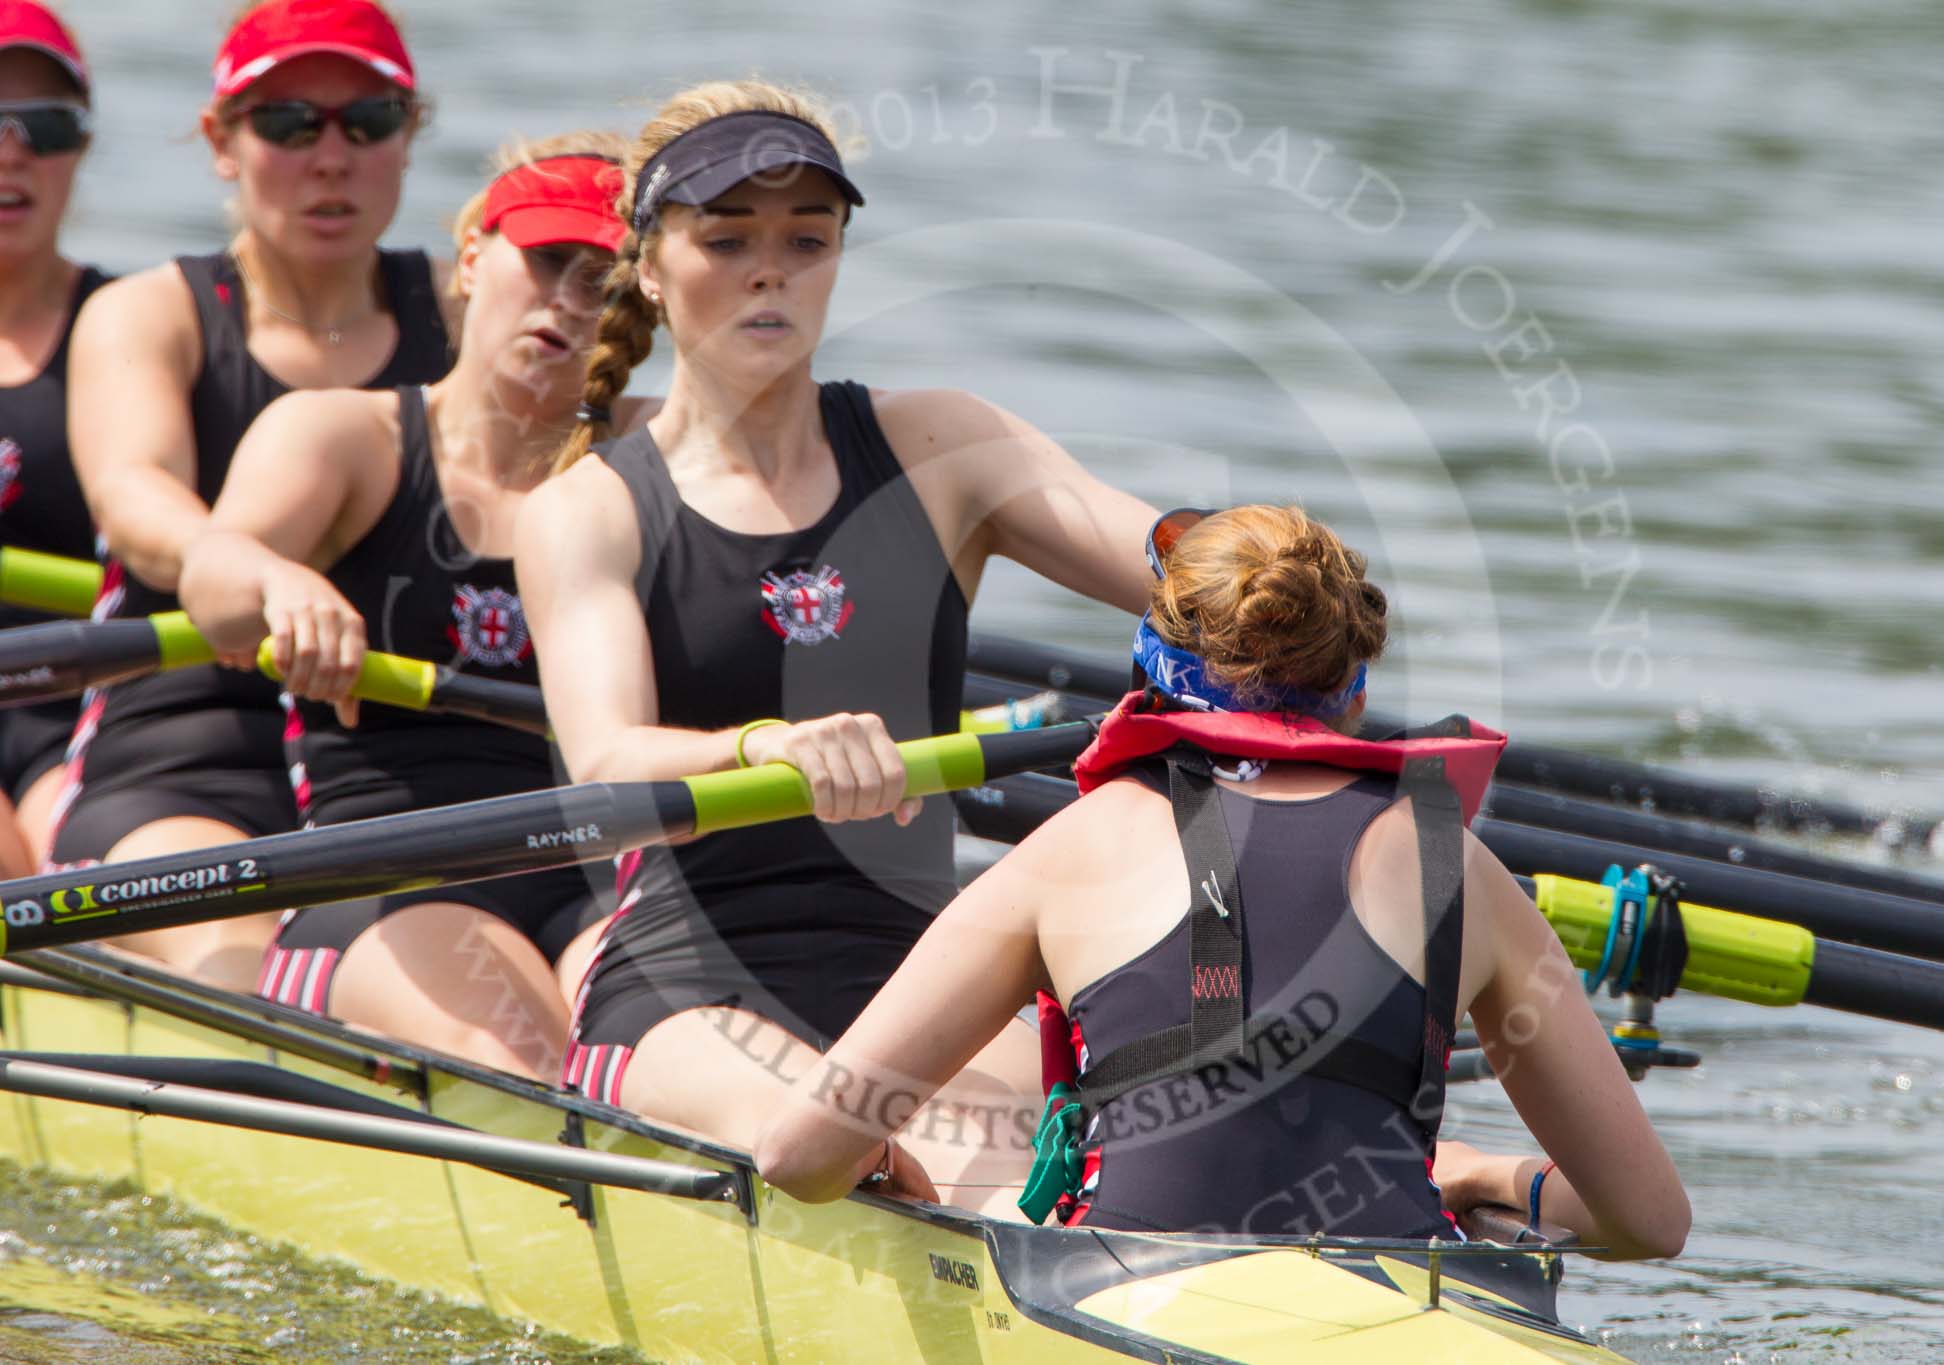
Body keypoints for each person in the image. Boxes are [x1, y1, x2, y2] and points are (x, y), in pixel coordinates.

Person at [515, 79, 1157, 1193]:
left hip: (919, 979)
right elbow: (608, 764)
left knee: (1073, 1179)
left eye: (806, 240)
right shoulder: (590, 508)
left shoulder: (938, 445)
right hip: (683, 993)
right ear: (650, 268)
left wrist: (1265, 582)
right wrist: (762, 745)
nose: (771, 269)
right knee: (841, 1150)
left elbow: (1165, 559)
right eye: (726, 239)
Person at [757, 505, 1691, 1259]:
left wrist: (882, 1158)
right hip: (1398, 1280)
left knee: (975, 1119)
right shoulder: (1462, 864)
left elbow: (796, 1155)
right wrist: (1486, 1176)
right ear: (1353, 688)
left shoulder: (1076, 844)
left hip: (1119, 1293)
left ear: (1154, 668)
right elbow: (1649, 1221)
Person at [180, 135, 645, 1077]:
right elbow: (212, 578)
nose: (567, 302)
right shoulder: (344, 435)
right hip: (392, 871)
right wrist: (282, 582)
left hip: (602, 872)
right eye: (548, 262)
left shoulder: (658, 460)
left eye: (605, 283)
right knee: (520, 1056)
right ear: (473, 256)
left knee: (685, 1055)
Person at [56, 0, 454, 988]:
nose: (331, 157)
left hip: (413, 756)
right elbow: (134, 499)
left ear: (409, 137)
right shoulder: (149, 315)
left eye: (368, 121)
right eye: (286, 123)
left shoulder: (470, 314)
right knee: (250, 965)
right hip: (193, 746)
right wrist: (258, 575)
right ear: (220, 142)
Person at [0, 2, 108, 878]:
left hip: (72, 712)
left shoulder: (140, 332)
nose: (13, 152)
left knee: (68, 873)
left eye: (46, 127)